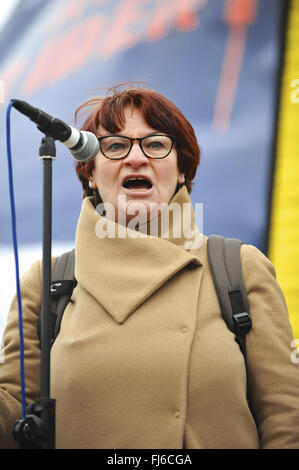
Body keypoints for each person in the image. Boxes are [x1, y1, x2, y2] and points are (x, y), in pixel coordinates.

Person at [0, 84, 298, 449]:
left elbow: (286, 418)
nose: (136, 158)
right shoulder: (46, 283)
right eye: (114, 146)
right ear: (90, 173)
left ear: (183, 171)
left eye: (156, 145)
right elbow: (13, 419)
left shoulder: (238, 267)